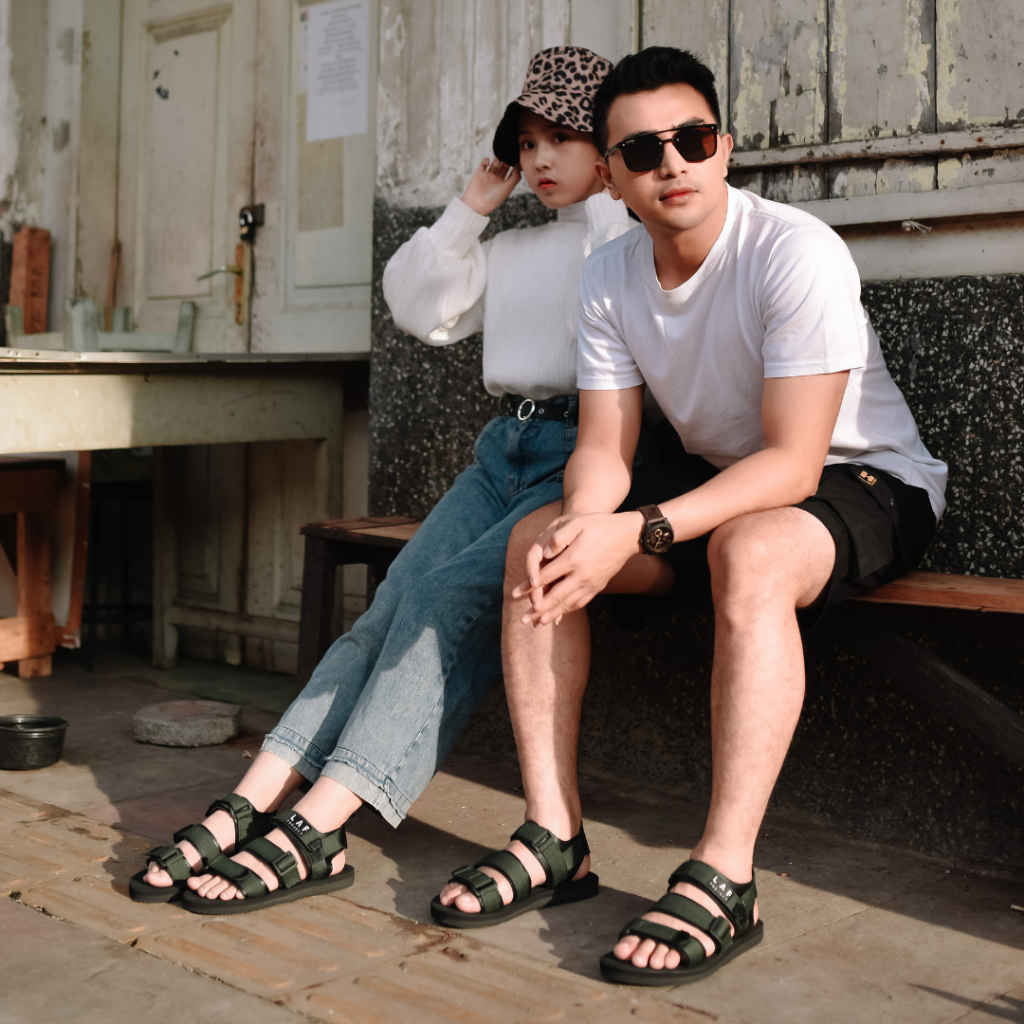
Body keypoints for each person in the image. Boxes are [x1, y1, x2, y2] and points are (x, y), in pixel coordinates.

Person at [434, 46, 947, 985]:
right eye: (641, 151)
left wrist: (636, 531)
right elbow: (604, 447)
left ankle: (725, 872)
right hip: (716, 481)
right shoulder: (609, 275)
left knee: (750, 552)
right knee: (538, 543)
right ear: (611, 176)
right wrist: (587, 526)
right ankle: (553, 835)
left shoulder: (793, 251)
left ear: (726, 149)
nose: (671, 163)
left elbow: (794, 462)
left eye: (693, 140)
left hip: (861, 477)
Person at [127, 46, 633, 915]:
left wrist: (614, 187)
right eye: (527, 141)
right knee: (391, 604)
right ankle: (254, 796)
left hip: (587, 452)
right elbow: (417, 306)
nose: (541, 158)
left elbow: (619, 281)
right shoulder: (514, 249)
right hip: (503, 449)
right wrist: (471, 209)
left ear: (607, 146)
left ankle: (322, 824)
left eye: (563, 137)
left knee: (442, 604)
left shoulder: (625, 239)